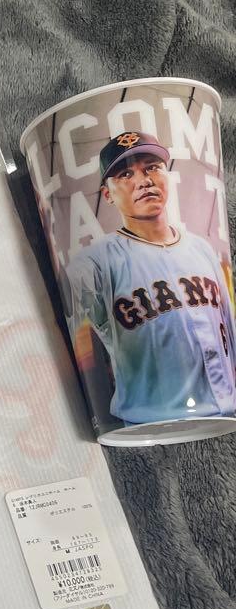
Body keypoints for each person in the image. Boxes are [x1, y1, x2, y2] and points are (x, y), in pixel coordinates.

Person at [64, 131, 236, 426]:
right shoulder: (92, 263)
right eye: (125, 174)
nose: (143, 181)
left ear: (167, 175)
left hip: (229, 413)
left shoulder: (202, 248)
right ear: (108, 194)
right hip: (148, 426)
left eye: (152, 167)